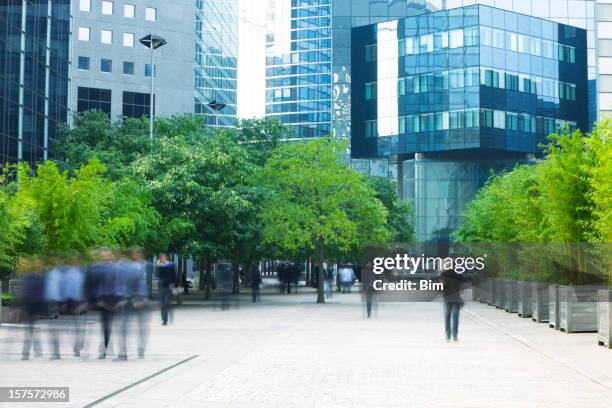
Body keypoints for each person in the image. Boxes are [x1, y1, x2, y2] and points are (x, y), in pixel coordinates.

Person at [440, 266, 464, 341]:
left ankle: (448, 335)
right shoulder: (459, 275)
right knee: (455, 317)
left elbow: (441, 285)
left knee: (447, 317)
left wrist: (443, 293)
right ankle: (455, 336)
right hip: (456, 298)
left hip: (447, 298)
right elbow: (461, 288)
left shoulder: (443, 274)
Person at [156, 253, 176, 325]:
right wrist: (158, 266)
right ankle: (164, 320)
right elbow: (157, 275)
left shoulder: (171, 265)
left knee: (166, 303)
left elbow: (174, 275)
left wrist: (174, 285)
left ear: (166, 257)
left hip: (169, 286)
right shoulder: (159, 266)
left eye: (163, 257)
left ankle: (167, 316)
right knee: (162, 304)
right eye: (161, 258)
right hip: (161, 287)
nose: (162, 259)